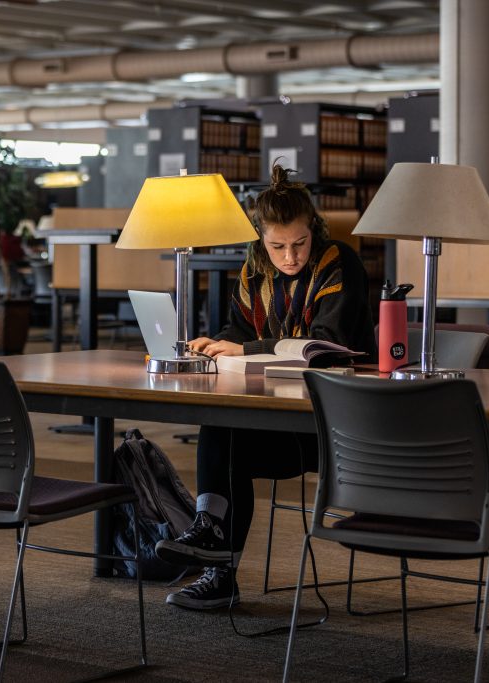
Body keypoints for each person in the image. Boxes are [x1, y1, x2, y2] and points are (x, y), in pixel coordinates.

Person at [154, 164, 377, 610]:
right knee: (223, 426)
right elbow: (237, 329)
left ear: (314, 230)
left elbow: (323, 345)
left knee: (228, 436)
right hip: (280, 419)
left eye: (299, 243)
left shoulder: (339, 263)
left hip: (332, 428)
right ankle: (213, 542)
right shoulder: (255, 270)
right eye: (277, 246)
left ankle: (215, 554)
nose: (289, 257)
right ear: (261, 239)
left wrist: (246, 347)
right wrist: (213, 346)